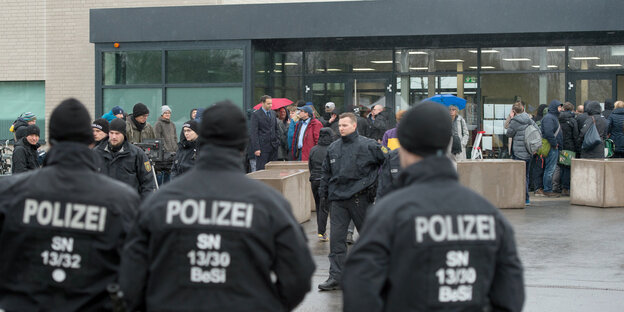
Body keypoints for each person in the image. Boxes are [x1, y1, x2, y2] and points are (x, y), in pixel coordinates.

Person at [120, 101, 315, 311]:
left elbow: (131, 276)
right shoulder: (268, 204)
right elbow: (299, 273)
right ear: (243, 144)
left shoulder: (161, 203)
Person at [342, 101, 525, 312]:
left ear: (405, 147)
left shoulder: (387, 215)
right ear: (448, 143)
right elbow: (510, 297)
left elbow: (360, 293)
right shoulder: (489, 215)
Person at [0, 98, 139, 311]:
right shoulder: (122, 201)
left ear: (51, 140)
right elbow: (134, 274)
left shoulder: (10, 193)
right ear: (90, 141)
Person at [317, 112, 386, 291]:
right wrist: (323, 195)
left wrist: (378, 186)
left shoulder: (369, 145)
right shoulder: (333, 148)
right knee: (337, 241)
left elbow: (388, 161)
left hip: (360, 198)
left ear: (354, 126)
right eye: (339, 126)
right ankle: (336, 277)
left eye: (345, 125)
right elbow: (326, 173)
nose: (341, 128)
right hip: (338, 200)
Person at [94, 118, 156, 199]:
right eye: (111, 133)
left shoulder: (137, 154)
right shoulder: (96, 153)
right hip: (103, 205)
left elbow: (148, 183)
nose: (113, 137)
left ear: (124, 134)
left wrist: (143, 206)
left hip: (128, 206)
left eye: (117, 133)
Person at [506, 102, 538, 205]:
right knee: (526, 176)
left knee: (518, 176)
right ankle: (526, 199)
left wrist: (511, 118)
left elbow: (509, 133)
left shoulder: (515, 121)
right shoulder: (529, 119)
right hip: (529, 152)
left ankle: (520, 198)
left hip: (518, 153)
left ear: (514, 111)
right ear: (523, 109)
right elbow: (538, 130)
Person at [309, 128, 334, 242]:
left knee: (319, 205)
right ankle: (321, 232)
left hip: (314, 180)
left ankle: (321, 232)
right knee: (326, 207)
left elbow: (310, 165)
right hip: (326, 181)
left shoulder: (313, 149)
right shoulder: (332, 149)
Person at [539, 100, 564, 197]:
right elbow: (549, 133)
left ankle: (547, 188)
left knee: (550, 168)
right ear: (554, 107)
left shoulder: (552, 117)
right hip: (551, 147)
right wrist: (555, 144)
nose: (560, 109)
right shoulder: (550, 118)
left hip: (553, 146)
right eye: (559, 107)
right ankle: (547, 189)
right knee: (550, 169)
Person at [250, 95, 280, 170]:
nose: (270, 105)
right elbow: (254, 132)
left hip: (273, 147)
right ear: (262, 103)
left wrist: (277, 141)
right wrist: (256, 148)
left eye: (271, 103)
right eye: (268, 103)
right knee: (261, 169)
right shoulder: (256, 115)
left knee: (273, 169)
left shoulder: (273, 113)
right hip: (262, 148)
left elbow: (275, 129)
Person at [558, 102, 579, 196]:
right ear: (572, 109)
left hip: (560, 145)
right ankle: (566, 188)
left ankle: (559, 186)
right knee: (567, 167)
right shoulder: (572, 120)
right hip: (570, 146)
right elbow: (575, 135)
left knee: (561, 166)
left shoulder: (558, 118)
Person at [154, 105, 177, 185]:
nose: (167, 114)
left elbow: (175, 137)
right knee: (160, 173)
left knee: (169, 172)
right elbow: (157, 138)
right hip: (163, 153)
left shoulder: (172, 124)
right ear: (162, 114)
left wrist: (175, 148)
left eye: (169, 113)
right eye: (165, 113)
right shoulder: (158, 124)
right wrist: (163, 149)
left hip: (172, 153)